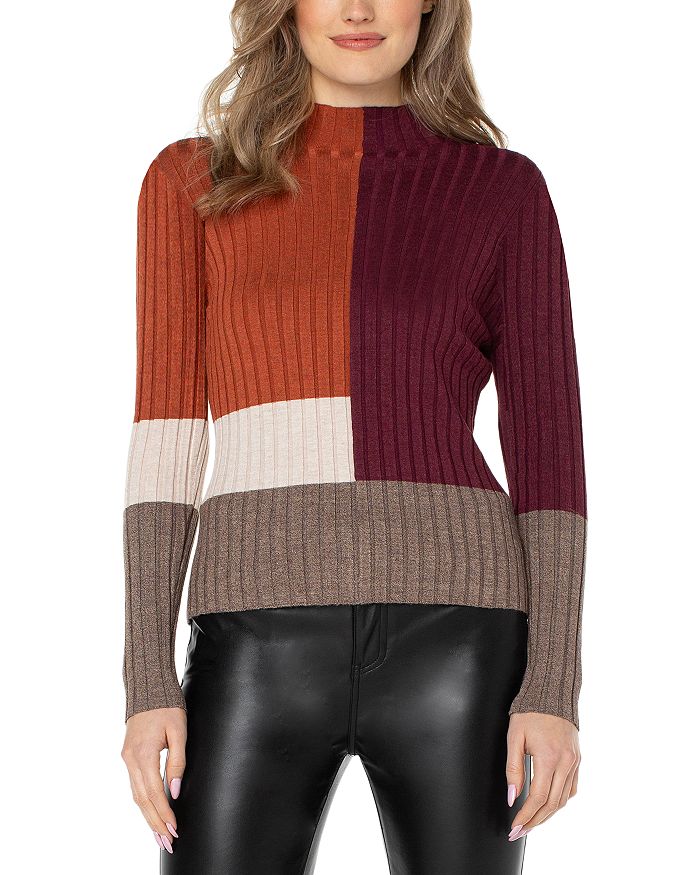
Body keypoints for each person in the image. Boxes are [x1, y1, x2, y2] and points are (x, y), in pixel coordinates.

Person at [120, 1, 588, 871]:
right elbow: (166, 440)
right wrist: (147, 677)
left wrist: (553, 685)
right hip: (252, 635)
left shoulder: (502, 189)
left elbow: (549, 452)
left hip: (459, 636)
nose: (360, 9)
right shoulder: (192, 181)